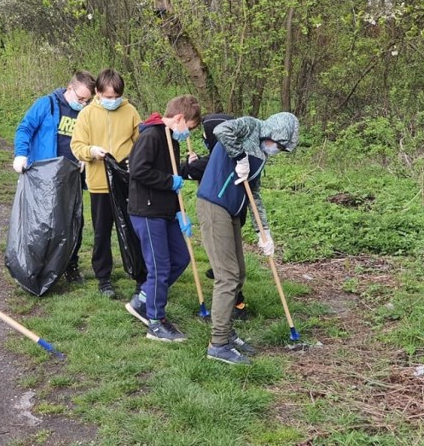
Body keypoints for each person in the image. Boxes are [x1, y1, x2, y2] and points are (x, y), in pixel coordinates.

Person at [196, 112, 299, 364]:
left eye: (283, 148)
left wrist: (263, 232)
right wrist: (240, 156)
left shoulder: (261, 156)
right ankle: (218, 344)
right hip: (214, 205)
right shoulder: (250, 126)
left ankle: (227, 333)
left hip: (231, 211)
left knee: (239, 273)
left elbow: (255, 193)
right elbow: (221, 130)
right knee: (227, 276)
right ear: (273, 133)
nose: (278, 150)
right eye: (280, 144)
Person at [124, 95, 201, 341]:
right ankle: (156, 322)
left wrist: (179, 212)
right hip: (147, 211)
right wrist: (170, 181)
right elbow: (138, 171)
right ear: (179, 118)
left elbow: (169, 171)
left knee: (180, 256)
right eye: (188, 128)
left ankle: (144, 298)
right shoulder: (151, 135)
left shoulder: (171, 139)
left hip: (165, 211)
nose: (187, 134)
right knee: (159, 266)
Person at [13, 71, 97, 283]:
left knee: (71, 220)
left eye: (88, 100)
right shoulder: (46, 105)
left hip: (72, 175)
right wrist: (21, 154)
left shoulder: (87, 112)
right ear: (70, 89)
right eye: (80, 99)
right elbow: (25, 128)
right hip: (44, 175)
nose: (83, 104)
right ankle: (36, 265)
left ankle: (70, 264)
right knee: (42, 222)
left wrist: (86, 157)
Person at [71, 68, 142, 298]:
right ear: (98, 93)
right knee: (102, 232)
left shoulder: (130, 111)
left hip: (126, 184)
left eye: (116, 97)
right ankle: (104, 279)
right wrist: (92, 151)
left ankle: (140, 276)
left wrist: (135, 161)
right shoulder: (86, 114)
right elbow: (77, 146)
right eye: (108, 97)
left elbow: (141, 143)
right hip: (99, 184)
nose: (113, 101)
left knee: (132, 230)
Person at [179, 113, 250, 321]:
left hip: (226, 215)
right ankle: (235, 304)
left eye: (205, 135)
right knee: (228, 266)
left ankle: (235, 307)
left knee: (228, 270)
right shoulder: (225, 154)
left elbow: (191, 170)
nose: (204, 139)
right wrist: (194, 163)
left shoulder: (220, 158)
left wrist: (191, 165)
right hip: (233, 212)